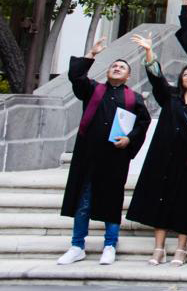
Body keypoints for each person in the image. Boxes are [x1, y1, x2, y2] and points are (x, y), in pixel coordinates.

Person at [56, 38, 151, 266]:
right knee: (83, 201)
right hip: (88, 156)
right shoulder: (93, 89)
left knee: (112, 201)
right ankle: (77, 245)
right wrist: (91, 54)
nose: (117, 68)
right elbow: (76, 77)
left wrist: (129, 140)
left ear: (129, 76)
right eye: (114, 66)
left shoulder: (134, 99)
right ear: (108, 71)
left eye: (122, 67)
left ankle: (110, 244)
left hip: (114, 159)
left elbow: (143, 123)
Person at [126, 33, 187, 267]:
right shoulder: (170, 97)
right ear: (181, 79)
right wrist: (148, 52)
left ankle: (181, 249)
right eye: (186, 74)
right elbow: (157, 79)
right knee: (160, 202)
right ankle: (159, 249)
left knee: (184, 204)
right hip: (164, 158)